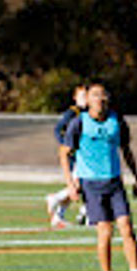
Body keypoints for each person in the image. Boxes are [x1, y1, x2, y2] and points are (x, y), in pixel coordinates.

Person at [60, 82, 137, 271]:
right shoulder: (79, 123)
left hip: (115, 182)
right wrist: (70, 183)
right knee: (105, 231)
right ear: (87, 100)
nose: (100, 99)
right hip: (91, 184)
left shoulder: (116, 120)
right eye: (95, 95)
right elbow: (64, 153)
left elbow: (126, 149)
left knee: (127, 227)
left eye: (103, 95)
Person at [46, 85, 89, 228]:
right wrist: (66, 145)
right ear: (75, 98)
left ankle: (60, 216)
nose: (85, 99)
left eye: (86, 96)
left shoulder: (88, 113)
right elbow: (58, 129)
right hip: (75, 155)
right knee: (79, 184)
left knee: (80, 185)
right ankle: (56, 199)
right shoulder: (73, 112)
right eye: (82, 96)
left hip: (83, 154)